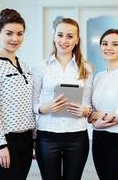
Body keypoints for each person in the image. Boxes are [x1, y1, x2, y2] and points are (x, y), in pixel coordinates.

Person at [32, 17, 93, 180]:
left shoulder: (86, 68)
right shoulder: (40, 67)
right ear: (54, 36)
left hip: (77, 136)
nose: (64, 40)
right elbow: (33, 103)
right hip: (47, 136)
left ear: (77, 40)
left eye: (69, 36)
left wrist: (86, 110)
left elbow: (88, 104)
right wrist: (45, 108)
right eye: (60, 35)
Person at [0, 8, 36, 180]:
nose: (15, 39)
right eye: (9, 33)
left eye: (20, 33)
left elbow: (29, 104)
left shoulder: (25, 65)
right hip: (5, 141)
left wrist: (34, 139)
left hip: (26, 140)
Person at [88, 29, 118, 180]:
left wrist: (94, 118)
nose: (108, 47)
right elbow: (90, 110)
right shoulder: (98, 77)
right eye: (104, 43)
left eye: (115, 44)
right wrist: (92, 118)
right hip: (99, 140)